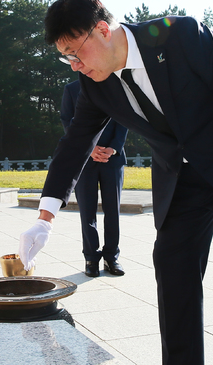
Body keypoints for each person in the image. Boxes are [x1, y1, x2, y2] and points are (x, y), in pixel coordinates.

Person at [18, 0, 213, 365]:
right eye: (64, 57)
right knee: (173, 278)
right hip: (180, 183)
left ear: (102, 30)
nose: (73, 65)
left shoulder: (180, 36)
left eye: (74, 52)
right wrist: (45, 217)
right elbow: (74, 145)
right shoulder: (95, 84)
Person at [61, 80, 128, 277]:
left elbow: (124, 119)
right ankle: (91, 258)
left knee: (113, 210)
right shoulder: (71, 89)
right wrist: (90, 149)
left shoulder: (116, 86)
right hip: (84, 159)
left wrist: (114, 148)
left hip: (113, 158)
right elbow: (67, 121)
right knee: (87, 212)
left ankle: (111, 258)